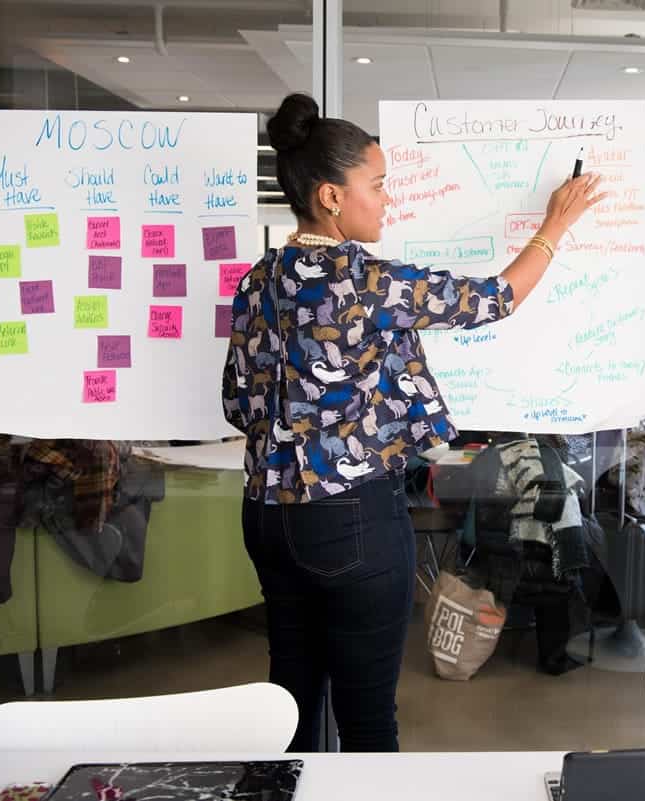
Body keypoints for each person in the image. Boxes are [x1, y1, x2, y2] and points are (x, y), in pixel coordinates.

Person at [221, 93, 605, 752]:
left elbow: (235, 401)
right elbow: (495, 299)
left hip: (266, 517)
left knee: (292, 706)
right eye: (377, 185)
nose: (388, 200)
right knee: (369, 720)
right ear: (331, 197)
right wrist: (555, 225)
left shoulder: (258, 281)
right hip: (349, 522)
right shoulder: (364, 281)